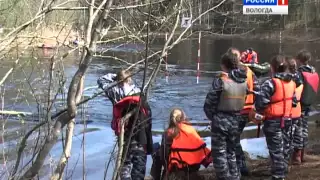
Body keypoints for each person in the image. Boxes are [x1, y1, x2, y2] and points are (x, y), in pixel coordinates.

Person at [97, 70, 153, 180]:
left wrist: (115, 77)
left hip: (124, 134)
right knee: (139, 167)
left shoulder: (114, 91)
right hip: (140, 135)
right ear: (130, 79)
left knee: (125, 166)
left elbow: (101, 80)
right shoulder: (138, 91)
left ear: (118, 80)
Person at [204, 52, 247, 180]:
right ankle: (235, 177)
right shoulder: (244, 80)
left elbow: (208, 104)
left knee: (219, 155)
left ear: (224, 65)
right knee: (231, 152)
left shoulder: (221, 81)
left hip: (221, 121)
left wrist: (214, 118)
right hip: (236, 120)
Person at [254, 55, 297, 180]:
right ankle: (282, 171)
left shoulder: (270, 83)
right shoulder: (292, 83)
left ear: (272, 68)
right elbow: (294, 102)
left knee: (276, 150)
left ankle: (278, 176)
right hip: (288, 120)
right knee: (285, 148)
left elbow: (260, 104)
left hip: (273, 122)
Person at [151, 108, 212, 180]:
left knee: (156, 148)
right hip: (192, 170)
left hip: (174, 171)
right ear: (183, 118)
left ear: (171, 119)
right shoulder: (191, 130)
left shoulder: (168, 133)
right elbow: (202, 154)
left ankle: (156, 178)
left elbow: (164, 157)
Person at [227, 47, 260, 176]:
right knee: (234, 139)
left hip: (238, 111)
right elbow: (258, 89)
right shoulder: (250, 71)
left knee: (233, 140)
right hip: (247, 111)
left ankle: (240, 166)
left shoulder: (231, 72)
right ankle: (238, 165)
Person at [295, 50, 319, 163]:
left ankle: (297, 156)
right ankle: (303, 153)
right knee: (304, 128)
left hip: (300, 105)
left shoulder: (299, 73)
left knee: (298, 129)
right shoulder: (313, 71)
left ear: (299, 60)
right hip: (308, 104)